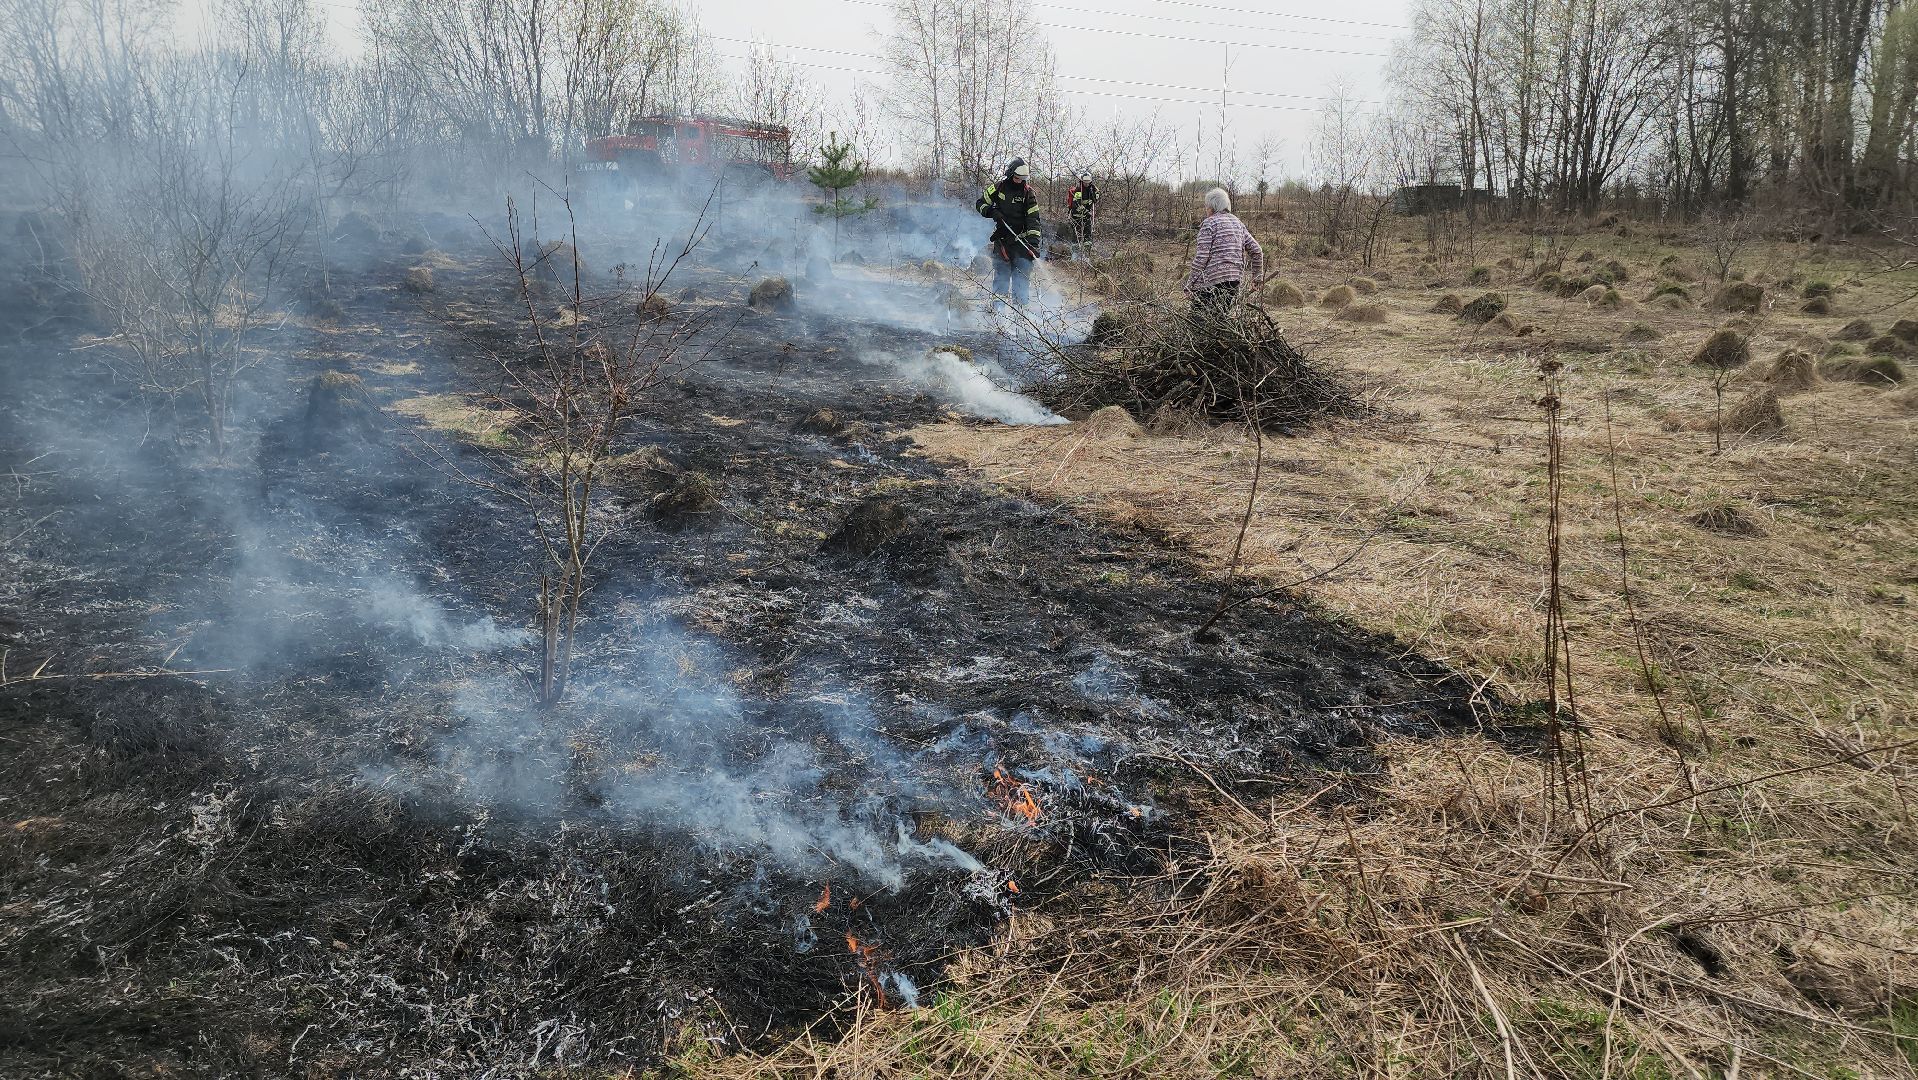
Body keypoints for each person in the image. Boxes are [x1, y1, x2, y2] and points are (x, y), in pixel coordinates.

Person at [976, 158, 1043, 306]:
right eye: (1017, 178)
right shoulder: (998, 187)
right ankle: (998, 313)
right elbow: (980, 204)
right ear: (1010, 174)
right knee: (1001, 278)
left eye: (1022, 179)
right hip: (1002, 242)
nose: (1019, 181)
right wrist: (991, 211)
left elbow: (1033, 220)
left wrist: (1033, 244)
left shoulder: (1028, 193)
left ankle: (1020, 315)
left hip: (1022, 244)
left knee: (1021, 281)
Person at [1185, 187, 1263, 313]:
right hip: (1234, 281)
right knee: (1221, 318)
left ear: (1212, 206)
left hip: (1211, 282)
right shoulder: (1238, 223)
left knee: (1198, 319)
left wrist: (1190, 285)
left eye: (1206, 206)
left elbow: (1201, 258)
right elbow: (1257, 250)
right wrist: (1257, 278)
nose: (1206, 209)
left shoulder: (1209, 223)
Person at [1067, 170, 1099, 243]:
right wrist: (1086, 212)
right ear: (1082, 181)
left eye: (1088, 182)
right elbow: (1076, 204)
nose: (1086, 184)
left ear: (1090, 181)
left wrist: (1096, 193)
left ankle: (1087, 247)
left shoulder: (1092, 189)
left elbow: (1095, 199)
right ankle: (1075, 248)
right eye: (1085, 182)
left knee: (1088, 233)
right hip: (1077, 215)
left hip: (1086, 215)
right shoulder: (1079, 190)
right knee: (1076, 235)